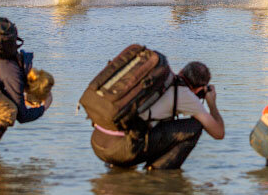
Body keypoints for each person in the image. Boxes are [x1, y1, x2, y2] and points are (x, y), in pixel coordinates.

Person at [90, 61, 225, 170]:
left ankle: (119, 169)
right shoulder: (185, 95)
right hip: (121, 150)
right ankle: (158, 173)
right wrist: (212, 103)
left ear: (181, 72)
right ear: (200, 89)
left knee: (147, 124)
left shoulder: (157, 81)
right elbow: (218, 133)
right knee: (195, 126)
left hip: (98, 142)